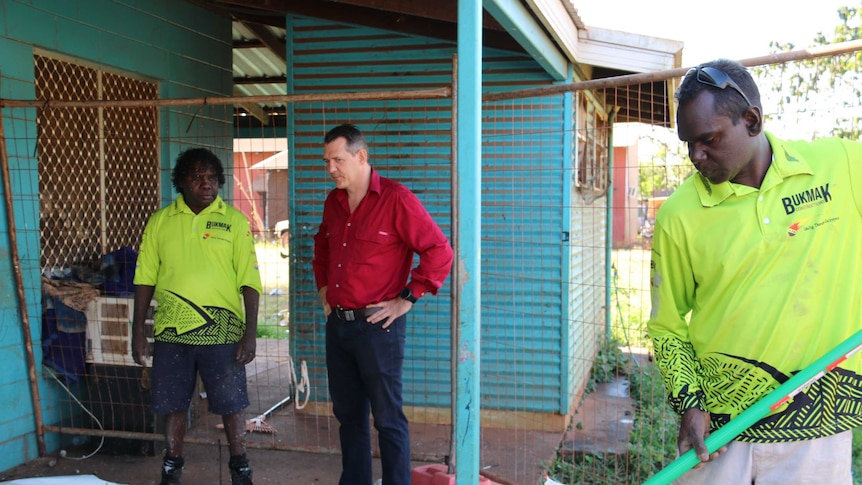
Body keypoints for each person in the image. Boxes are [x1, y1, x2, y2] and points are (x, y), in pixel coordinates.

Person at [648, 58, 862, 484]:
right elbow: (667, 327)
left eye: (707, 139)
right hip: (720, 435)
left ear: (751, 120)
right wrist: (690, 404)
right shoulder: (679, 216)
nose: (695, 155)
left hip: (816, 429)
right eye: (688, 143)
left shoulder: (841, 167)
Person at [313, 124, 454, 485]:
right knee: (349, 416)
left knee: (388, 418)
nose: (331, 169)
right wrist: (324, 289)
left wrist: (407, 298)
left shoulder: (396, 199)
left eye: (338, 160)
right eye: (327, 161)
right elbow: (323, 247)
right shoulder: (335, 201)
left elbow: (439, 251)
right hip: (339, 326)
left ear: (361, 157)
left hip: (379, 327)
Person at [132, 148, 263, 485]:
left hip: (223, 333)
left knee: (232, 404)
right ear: (181, 182)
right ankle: (172, 467)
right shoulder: (160, 221)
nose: (206, 183)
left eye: (211, 177)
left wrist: (250, 333)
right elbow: (145, 278)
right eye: (197, 176)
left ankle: (241, 468)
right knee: (173, 404)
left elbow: (250, 280)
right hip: (172, 333)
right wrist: (138, 331)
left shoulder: (234, 221)